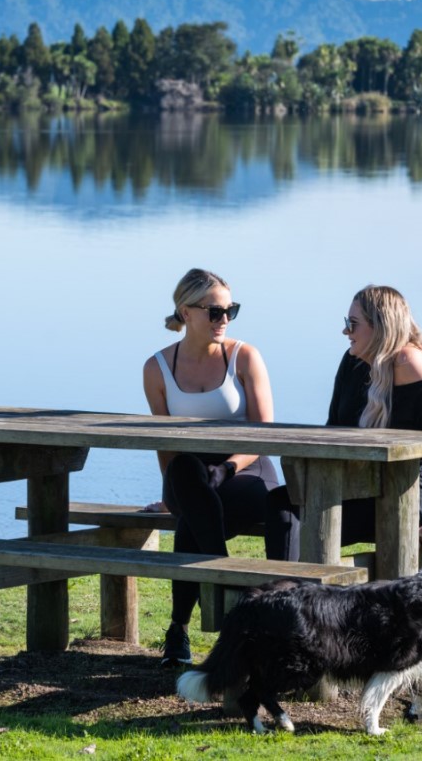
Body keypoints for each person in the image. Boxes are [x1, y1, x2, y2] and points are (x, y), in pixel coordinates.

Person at [265, 284, 422, 564]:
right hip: (360, 486)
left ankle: (298, 593)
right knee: (281, 503)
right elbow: (333, 428)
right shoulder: (353, 361)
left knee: (304, 517)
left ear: (380, 326)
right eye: (347, 323)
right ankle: (289, 590)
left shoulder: (410, 363)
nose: (346, 332)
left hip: (405, 493)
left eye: (353, 324)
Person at [142, 268, 277, 667]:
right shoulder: (157, 368)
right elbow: (166, 448)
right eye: (215, 311)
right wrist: (173, 495)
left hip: (245, 471)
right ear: (186, 311)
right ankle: (224, 588)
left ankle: (178, 630)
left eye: (230, 310)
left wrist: (228, 469)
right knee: (187, 476)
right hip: (189, 477)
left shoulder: (244, 357)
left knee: (193, 519)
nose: (224, 320)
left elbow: (265, 434)